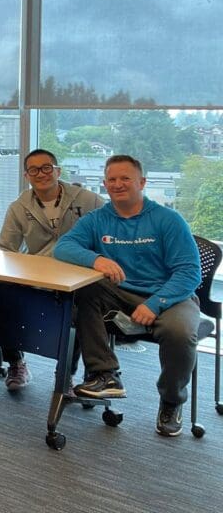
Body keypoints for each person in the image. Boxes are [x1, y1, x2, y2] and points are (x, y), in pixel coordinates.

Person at [54, 155, 201, 437]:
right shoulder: (98, 219)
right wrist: (96, 259)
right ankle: (105, 374)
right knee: (83, 291)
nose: (118, 184)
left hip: (170, 294)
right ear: (105, 184)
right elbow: (64, 247)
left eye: (125, 179)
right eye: (112, 179)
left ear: (141, 182)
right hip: (119, 294)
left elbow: (189, 273)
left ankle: (171, 401)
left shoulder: (168, 220)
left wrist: (155, 303)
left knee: (179, 332)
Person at [0, 149, 103, 391]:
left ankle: (66, 373)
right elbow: (6, 248)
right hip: (36, 275)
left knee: (76, 311)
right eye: (34, 170)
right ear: (26, 176)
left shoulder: (88, 200)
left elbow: (107, 236)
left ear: (57, 171)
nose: (41, 174)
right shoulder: (19, 207)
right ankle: (16, 363)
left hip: (79, 275)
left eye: (46, 168)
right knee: (2, 297)